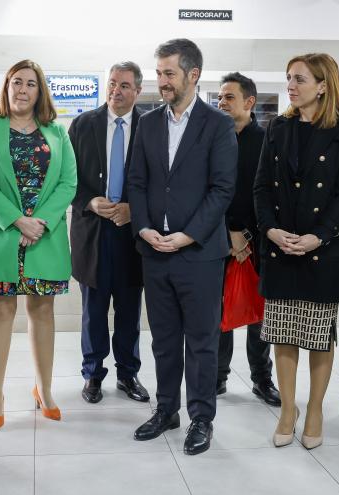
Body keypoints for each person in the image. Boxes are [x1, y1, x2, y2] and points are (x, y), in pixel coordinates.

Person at [128, 38, 237, 456]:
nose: (162, 82)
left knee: (202, 340)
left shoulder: (217, 124)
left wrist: (188, 234)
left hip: (199, 254)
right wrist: (143, 228)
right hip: (155, 251)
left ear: (193, 75)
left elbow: (223, 188)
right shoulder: (149, 122)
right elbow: (136, 182)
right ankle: (166, 409)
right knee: (164, 339)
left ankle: (201, 418)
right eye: (158, 73)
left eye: (169, 73)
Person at [253, 53, 339, 450]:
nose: (291, 85)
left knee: (318, 335)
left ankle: (314, 409)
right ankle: (288, 409)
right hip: (281, 246)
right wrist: (270, 230)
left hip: (324, 247)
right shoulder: (278, 127)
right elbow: (261, 187)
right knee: (282, 334)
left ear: (322, 84)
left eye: (299, 78)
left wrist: (320, 235)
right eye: (288, 78)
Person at [0, 59, 77, 428]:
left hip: (43, 235)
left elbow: (68, 184)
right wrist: (17, 220)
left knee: (42, 312)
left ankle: (44, 389)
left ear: (39, 90)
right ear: (6, 87)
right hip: (2, 234)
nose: (22, 90)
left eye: (30, 84)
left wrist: (39, 223)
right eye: (16, 82)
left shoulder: (57, 132)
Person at [69, 62, 149, 404]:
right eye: (112, 83)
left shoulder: (152, 127)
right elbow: (66, 180)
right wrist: (89, 202)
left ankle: (128, 375)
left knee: (130, 312)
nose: (116, 90)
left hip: (133, 235)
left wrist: (135, 209)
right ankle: (93, 375)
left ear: (138, 91)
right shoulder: (83, 124)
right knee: (94, 312)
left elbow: (162, 182)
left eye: (125, 85)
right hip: (93, 233)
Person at [214, 72, 280, 406]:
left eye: (229, 97)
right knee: (218, 312)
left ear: (249, 102)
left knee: (259, 316)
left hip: (258, 242)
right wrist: (229, 232)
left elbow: (268, 193)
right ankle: (217, 377)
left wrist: (247, 235)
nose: (222, 103)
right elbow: (207, 192)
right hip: (217, 239)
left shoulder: (268, 140)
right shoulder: (211, 138)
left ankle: (262, 379)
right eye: (220, 97)